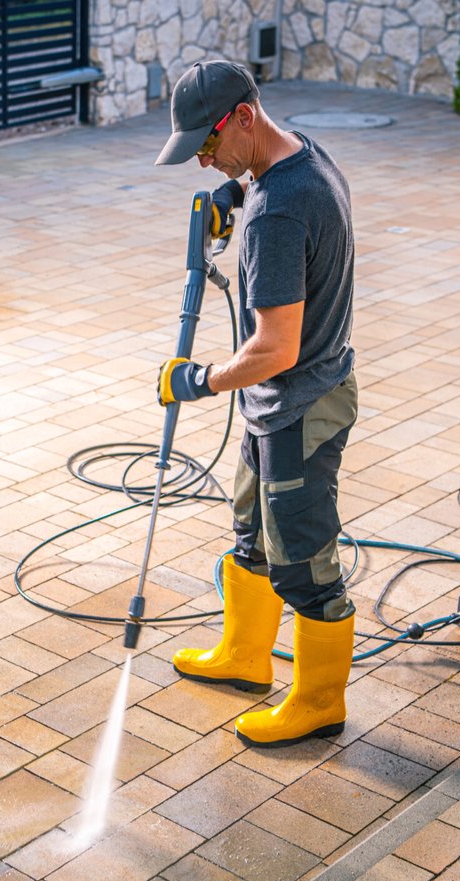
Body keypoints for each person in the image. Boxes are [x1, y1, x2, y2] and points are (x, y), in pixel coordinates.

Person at [154, 59, 358, 748]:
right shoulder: (299, 155)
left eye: (208, 147)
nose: (203, 162)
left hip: (299, 403)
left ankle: (320, 700)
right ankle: (245, 657)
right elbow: (263, 180)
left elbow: (276, 348)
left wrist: (199, 379)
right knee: (252, 534)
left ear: (243, 116)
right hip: (276, 405)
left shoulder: (279, 215)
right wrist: (233, 196)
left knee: (304, 560)